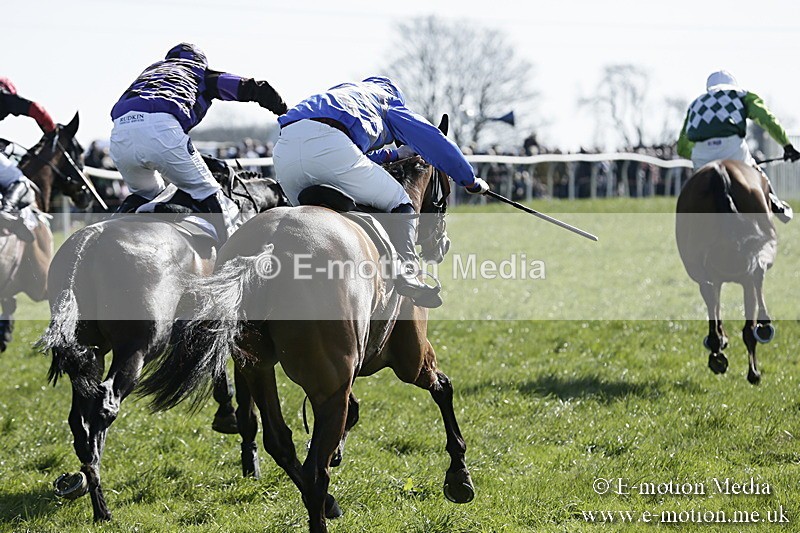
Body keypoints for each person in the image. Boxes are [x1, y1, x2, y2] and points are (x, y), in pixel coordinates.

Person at [273, 76, 490, 308]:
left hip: (284, 155)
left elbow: (348, 153)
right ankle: (407, 272)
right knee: (400, 200)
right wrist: (470, 181)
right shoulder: (388, 102)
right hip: (330, 148)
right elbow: (435, 142)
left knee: (303, 227)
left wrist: (393, 155)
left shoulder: (340, 97)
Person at [109, 43, 287, 241]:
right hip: (161, 127)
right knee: (209, 191)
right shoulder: (200, 72)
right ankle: (228, 254)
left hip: (119, 132)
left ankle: (105, 235)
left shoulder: (151, 70)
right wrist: (283, 111)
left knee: (146, 195)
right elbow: (251, 87)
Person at [677, 70, 799, 223]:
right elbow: (766, 119)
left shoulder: (696, 103)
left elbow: (681, 147)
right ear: (733, 85)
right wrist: (786, 145)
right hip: (732, 147)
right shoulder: (741, 95)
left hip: (701, 154)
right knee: (755, 170)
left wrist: (701, 154)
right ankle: (776, 205)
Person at [0, 77, 56, 241]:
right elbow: (37, 109)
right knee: (20, 181)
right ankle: (7, 211)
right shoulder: (4, 95)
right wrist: (51, 131)